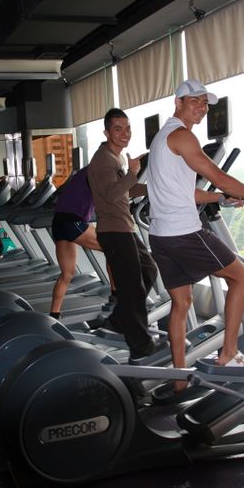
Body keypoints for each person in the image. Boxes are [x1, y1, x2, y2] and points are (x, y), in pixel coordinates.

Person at [147, 79, 244, 390]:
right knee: (241, 276)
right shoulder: (183, 136)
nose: (202, 107)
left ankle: (179, 380)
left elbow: (188, 192)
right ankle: (229, 353)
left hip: (161, 235)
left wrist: (220, 199)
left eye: (205, 103)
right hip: (183, 233)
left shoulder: (162, 138)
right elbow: (218, 176)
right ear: (178, 102)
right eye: (195, 101)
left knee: (181, 303)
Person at [88, 108, 160, 361]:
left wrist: (153, 188)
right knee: (133, 288)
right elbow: (112, 194)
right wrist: (132, 173)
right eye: (118, 129)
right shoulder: (103, 160)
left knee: (148, 270)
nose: (124, 133)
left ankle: (119, 320)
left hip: (124, 228)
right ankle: (141, 346)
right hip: (114, 231)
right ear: (107, 132)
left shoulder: (115, 156)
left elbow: (125, 190)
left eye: (127, 128)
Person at [48, 166, 115, 320]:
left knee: (67, 274)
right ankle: (116, 296)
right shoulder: (98, 171)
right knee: (113, 247)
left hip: (58, 222)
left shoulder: (84, 172)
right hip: (73, 222)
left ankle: (54, 315)